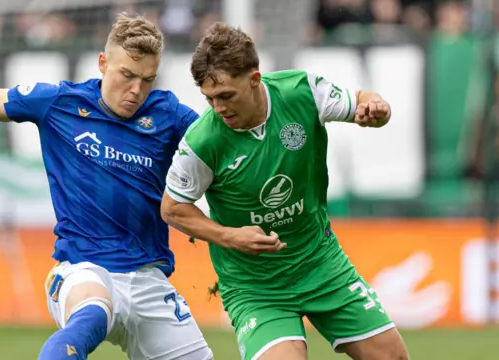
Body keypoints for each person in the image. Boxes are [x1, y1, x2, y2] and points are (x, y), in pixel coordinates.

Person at [0, 14, 213, 360]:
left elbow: (220, 150)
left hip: (149, 278)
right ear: (103, 63)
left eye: (147, 79)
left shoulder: (168, 114)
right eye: (127, 75)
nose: (136, 90)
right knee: (92, 314)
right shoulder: (59, 103)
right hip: (84, 269)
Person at [160, 22, 410, 360]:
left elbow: (364, 102)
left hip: (321, 264)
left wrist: (377, 108)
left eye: (225, 96)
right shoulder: (203, 141)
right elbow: (172, 208)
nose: (217, 108)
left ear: (254, 79)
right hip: (256, 286)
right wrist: (231, 237)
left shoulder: (302, 91)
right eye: (209, 99)